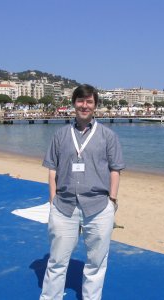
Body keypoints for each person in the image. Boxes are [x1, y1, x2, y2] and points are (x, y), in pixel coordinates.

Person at [40, 84, 125, 300]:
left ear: (95, 105)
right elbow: (52, 170)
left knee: (96, 262)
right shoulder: (60, 135)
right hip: (64, 206)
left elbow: (115, 170)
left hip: (98, 207)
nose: (84, 105)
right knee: (57, 261)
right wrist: (52, 201)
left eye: (89, 101)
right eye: (80, 101)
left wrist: (112, 201)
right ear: (74, 104)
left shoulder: (108, 136)